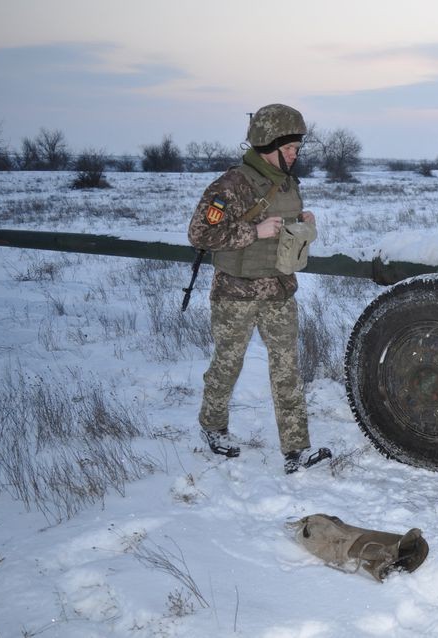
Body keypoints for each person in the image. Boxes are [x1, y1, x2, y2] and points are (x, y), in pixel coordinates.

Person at [187, 103, 330, 474]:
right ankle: (213, 425)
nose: (295, 155)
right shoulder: (231, 185)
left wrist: (302, 221)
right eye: (290, 148)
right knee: (228, 363)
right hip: (235, 293)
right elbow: (200, 234)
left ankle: (296, 450)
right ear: (269, 144)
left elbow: (282, 229)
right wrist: (254, 231)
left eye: (297, 148)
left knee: (287, 369)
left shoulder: (287, 183)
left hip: (279, 289)